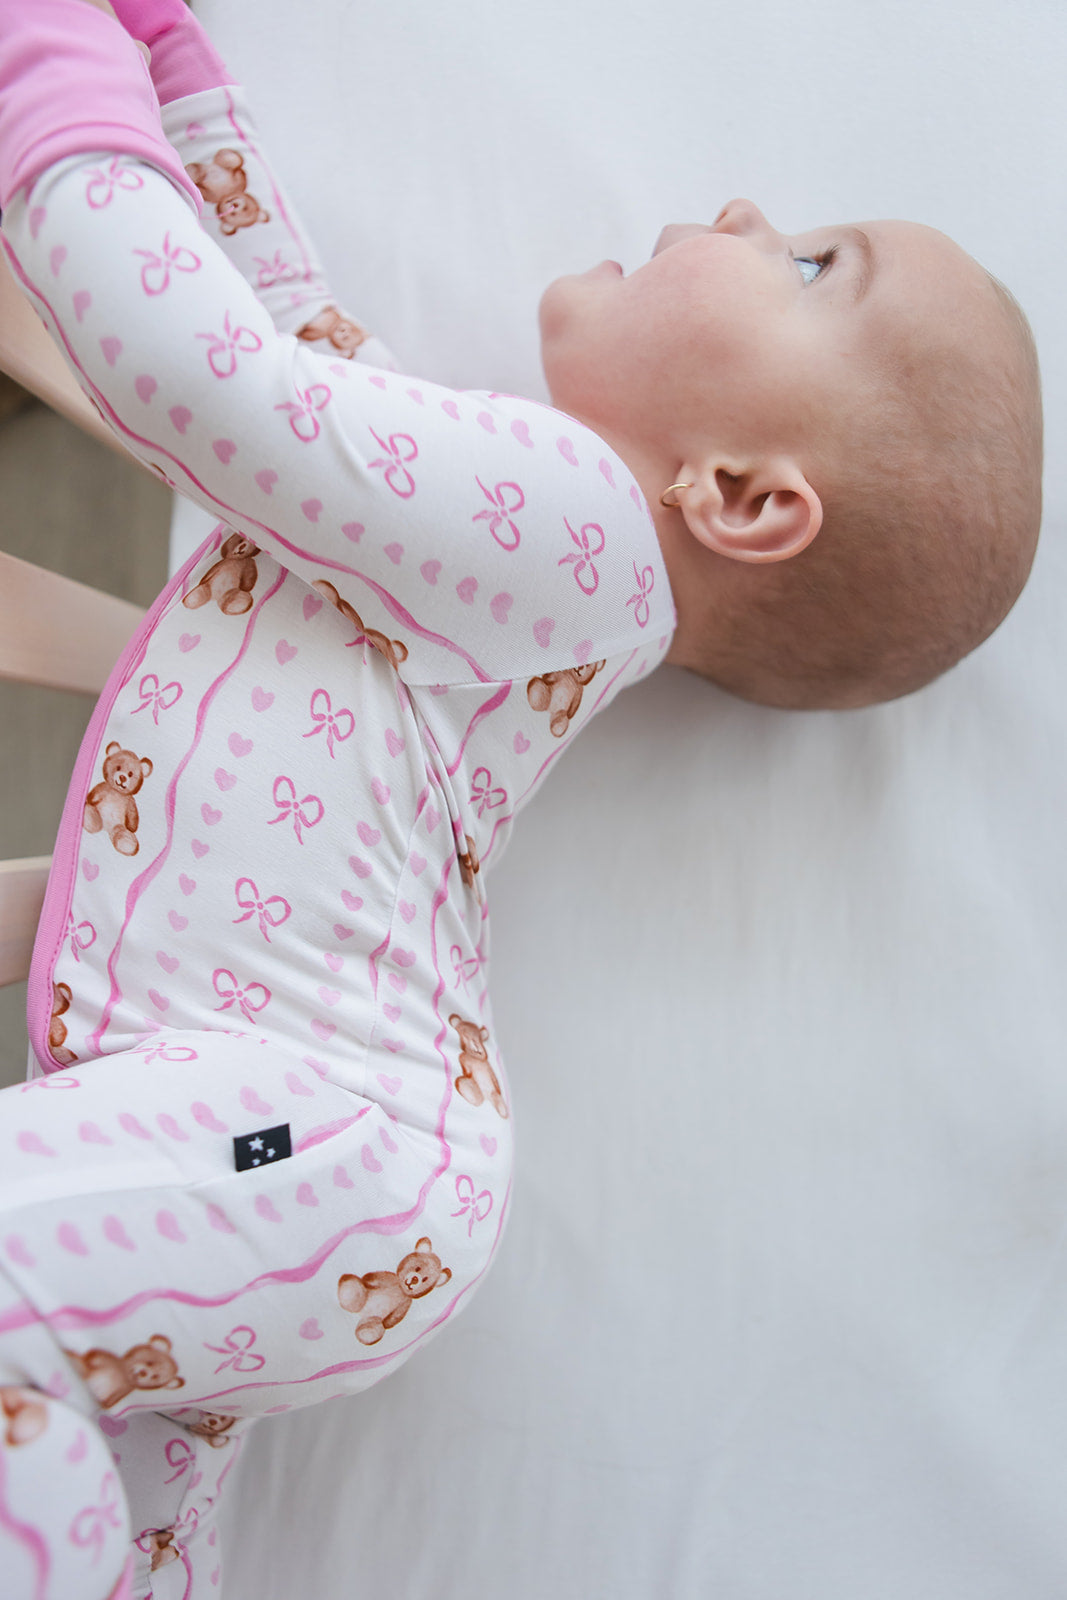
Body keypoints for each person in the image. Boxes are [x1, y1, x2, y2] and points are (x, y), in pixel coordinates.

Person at [0, 1, 1043, 1596]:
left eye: (812, 267)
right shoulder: (496, 529)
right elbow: (287, 338)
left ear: (742, 495)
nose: (748, 211)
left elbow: (210, 383)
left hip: (314, 1132)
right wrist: (167, 63)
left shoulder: (567, 529)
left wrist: (46, 68)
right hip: (270, 1142)